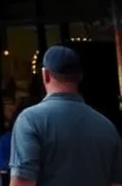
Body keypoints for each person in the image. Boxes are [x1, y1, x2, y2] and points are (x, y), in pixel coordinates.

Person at [9, 44, 122, 185]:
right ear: (79, 77)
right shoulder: (107, 127)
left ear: (46, 75)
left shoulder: (30, 120)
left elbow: (22, 183)